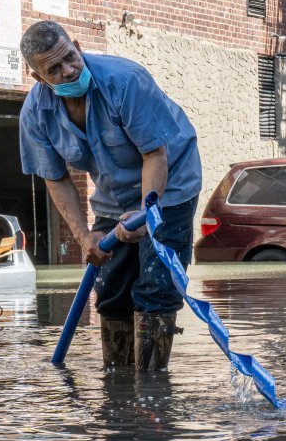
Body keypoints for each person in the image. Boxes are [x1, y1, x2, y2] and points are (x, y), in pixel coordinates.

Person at [19, 20, 201, 371]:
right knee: (112, 289)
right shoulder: (36, 113)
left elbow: (155, 155)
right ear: (39, 78)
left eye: (70, 57)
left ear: (77, 44)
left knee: (155, 285)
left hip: (170, 180)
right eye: (54, 69)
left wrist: (148, 214)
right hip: (114, 193)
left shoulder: (126, 81)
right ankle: (117, 385)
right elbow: (55, 179)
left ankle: (151, 386)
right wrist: (84, 236)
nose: (69, 71)